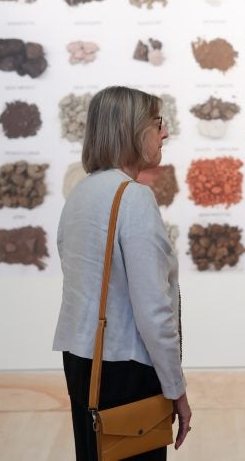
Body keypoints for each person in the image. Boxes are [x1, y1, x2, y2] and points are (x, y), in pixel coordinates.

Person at [53, 86, 191, 460]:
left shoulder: (81, 194)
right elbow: (152, 309)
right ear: (131, 131)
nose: (165, 133)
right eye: (157, 124)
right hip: (126, 367)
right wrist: (176, 388)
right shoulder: (133, 197)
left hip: (83, 358)